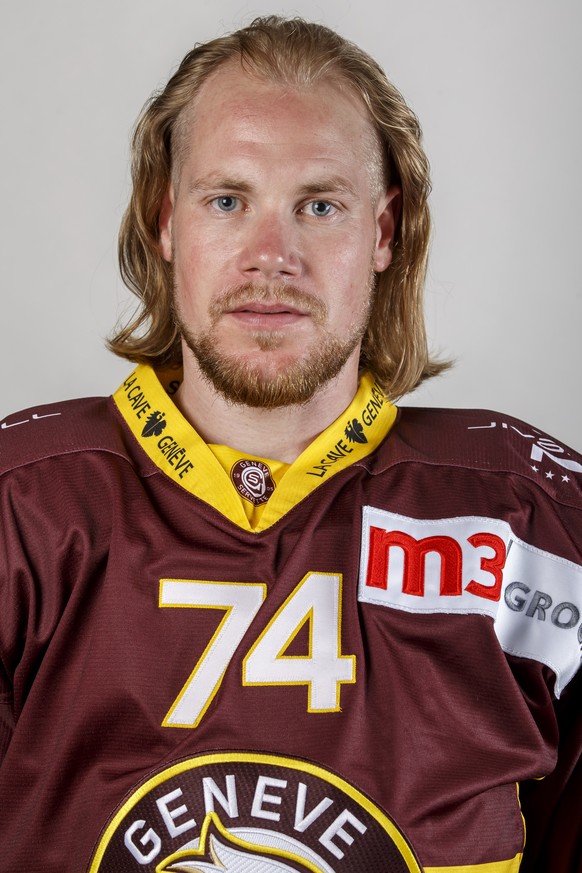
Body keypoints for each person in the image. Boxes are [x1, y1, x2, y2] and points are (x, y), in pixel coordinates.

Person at [0, 15, 580, 873]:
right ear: (167, 222)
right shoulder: (23, 512)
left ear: (382, 233)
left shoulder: (535, 527)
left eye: (319, 205)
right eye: (228, 200)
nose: (271, 256)